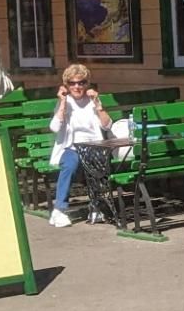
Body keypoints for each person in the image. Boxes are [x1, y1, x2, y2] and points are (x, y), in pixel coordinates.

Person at [48, 64, 126, 228]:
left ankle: (96, 205)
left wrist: (98, 105)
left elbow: (107, 125)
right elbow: (54, 127)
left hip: (94, 146)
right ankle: (59, 209)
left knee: (97, 165)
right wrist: (62, 102)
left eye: (81, 82)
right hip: (72, 147)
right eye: (72, 83)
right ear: (67, 85)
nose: (77, 86)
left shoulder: (92, 101)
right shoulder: (65, 102)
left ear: (87, 84)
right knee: (69, 165)